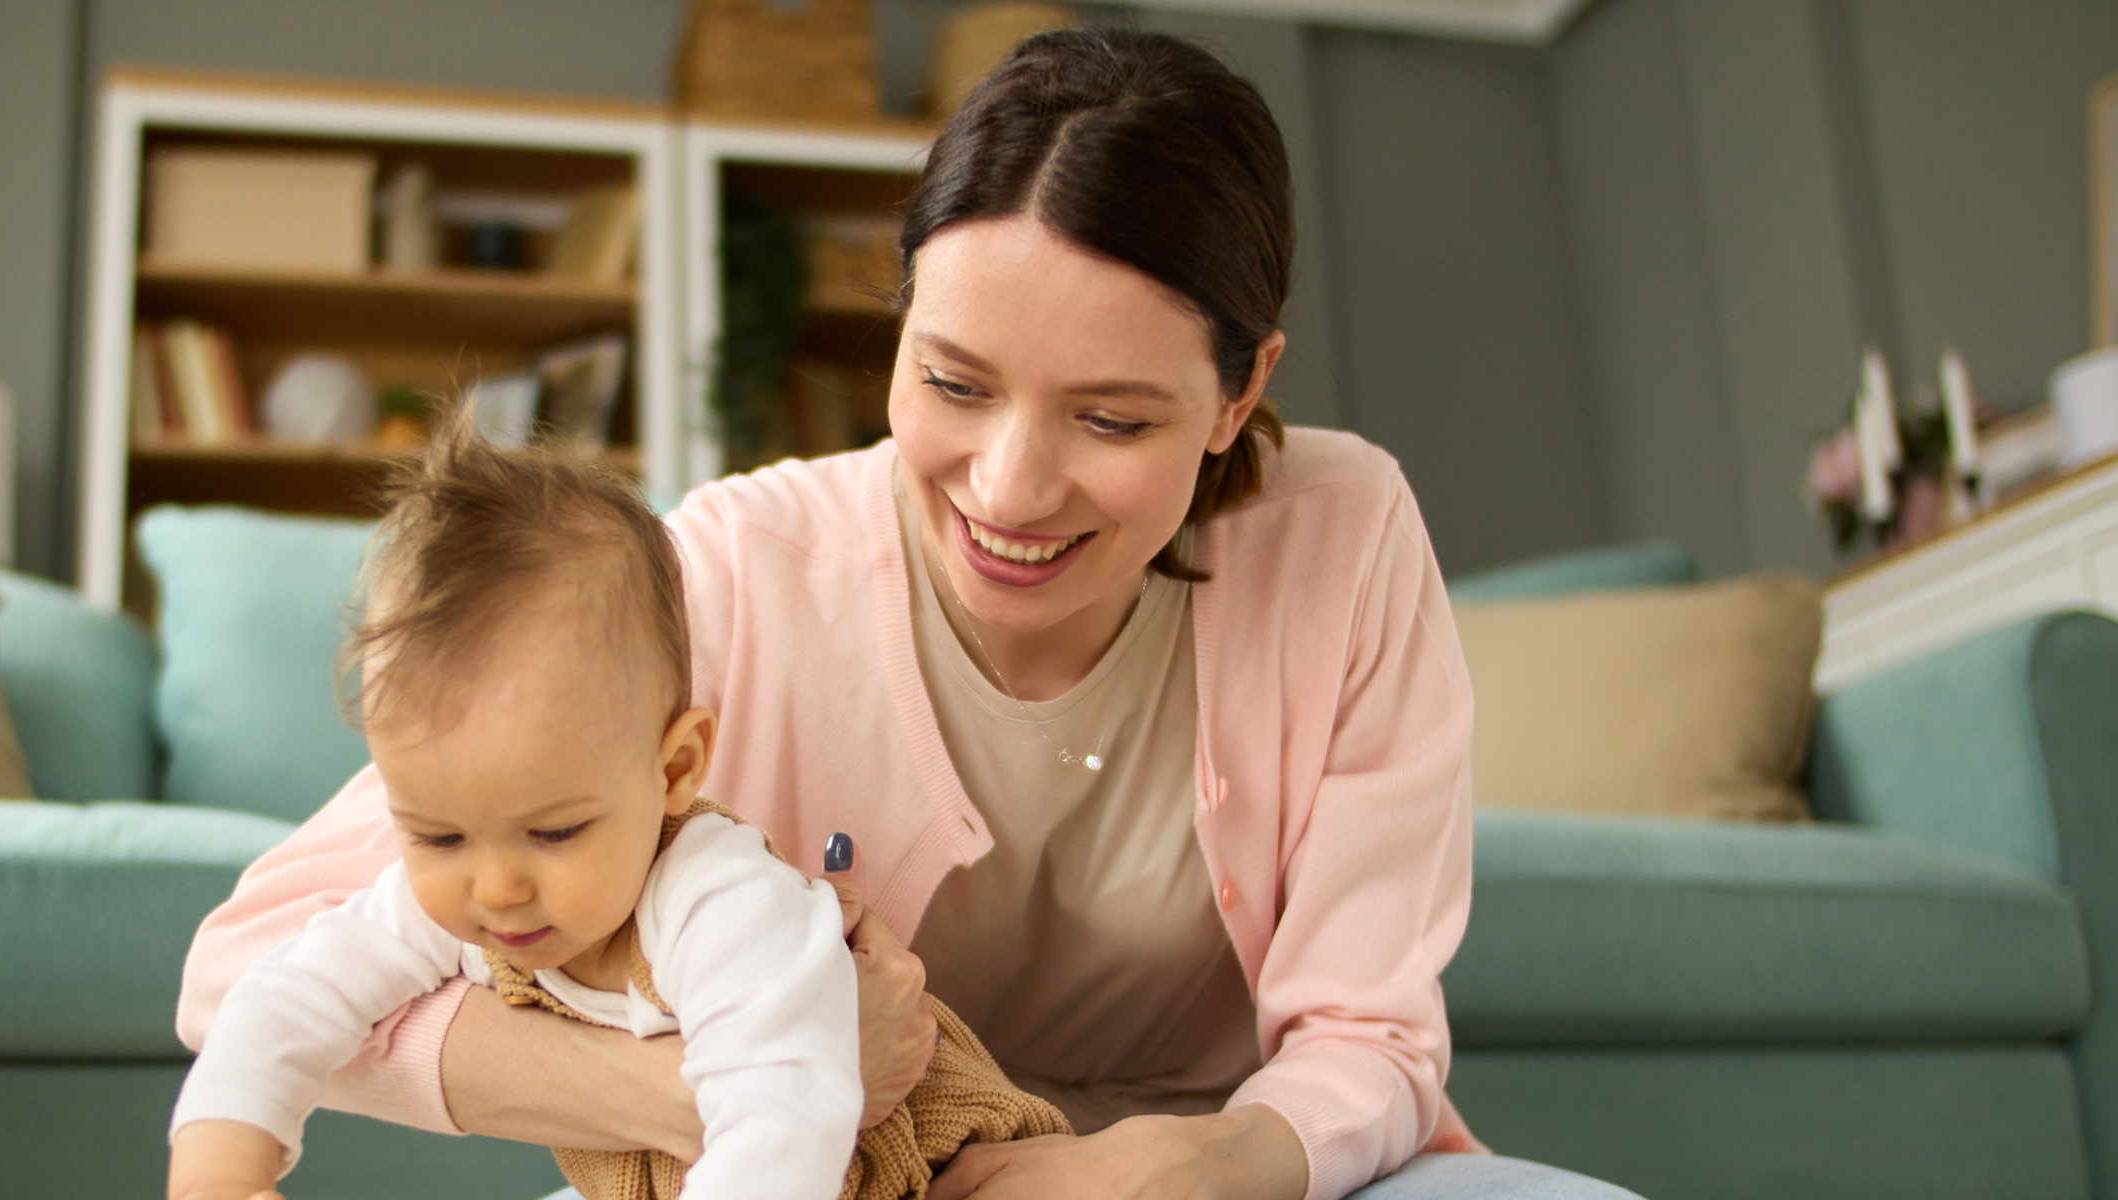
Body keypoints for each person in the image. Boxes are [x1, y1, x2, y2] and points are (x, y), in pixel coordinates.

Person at [178, 27, 1642, 1200]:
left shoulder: (1344, 535)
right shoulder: (734, 570)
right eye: (952, 383)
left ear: (1241, 391)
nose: (1010, 486)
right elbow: (246, 971)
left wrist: (1200, 1164)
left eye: (1112, 417)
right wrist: (729, 1087)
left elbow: (1374, 1039)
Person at [166, 434, 1061, 1200]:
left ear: (674, 768)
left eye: (554, 833)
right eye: (437, 835)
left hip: (922, 1177)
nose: (497, 887)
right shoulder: (453, 902)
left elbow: (779, 1124)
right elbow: (288, 996)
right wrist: (218, 1167)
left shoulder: (723, 901)